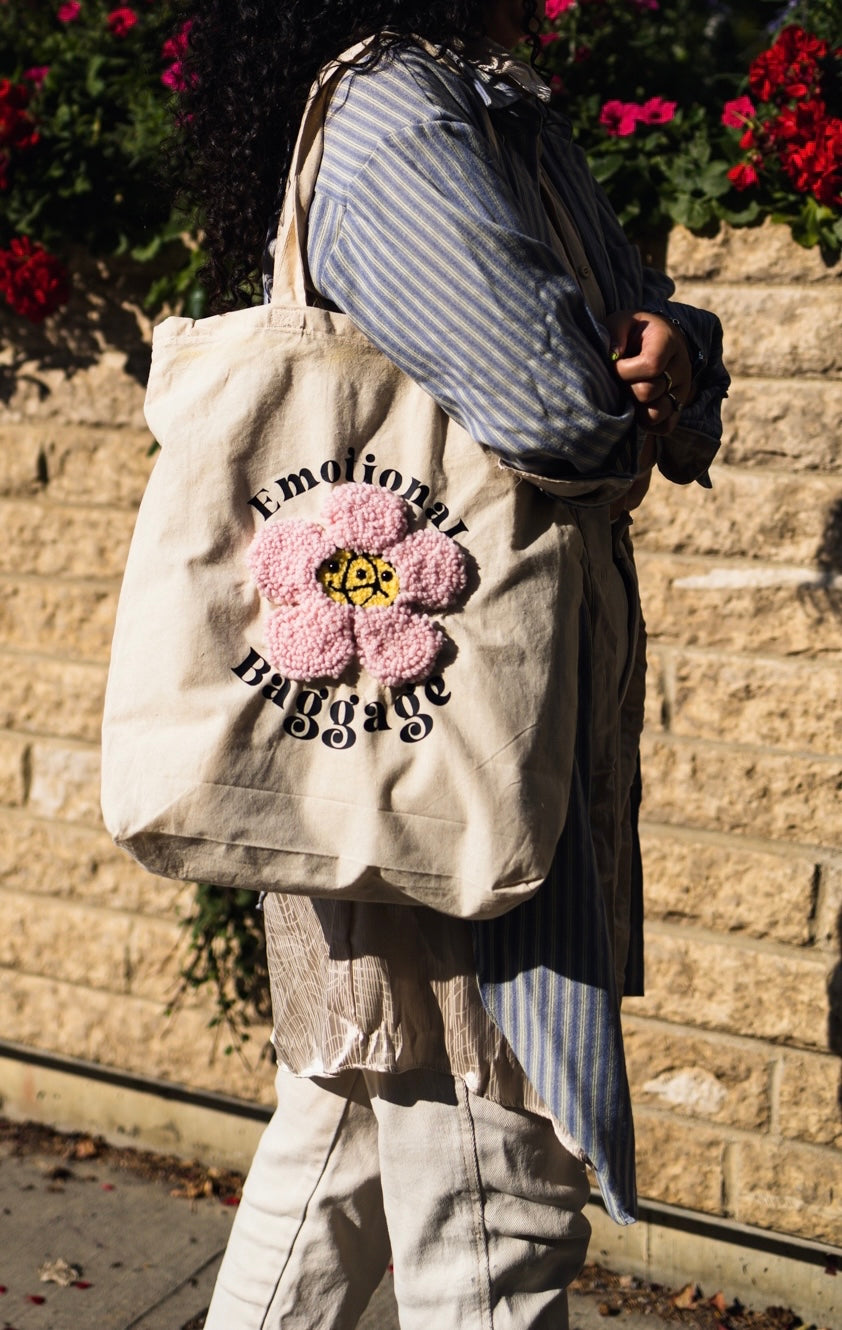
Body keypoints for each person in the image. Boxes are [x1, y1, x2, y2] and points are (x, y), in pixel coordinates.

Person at [178, 3, 729, 1327]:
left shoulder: (473, 103)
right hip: (449, 738)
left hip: (426, 724)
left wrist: (680, 348)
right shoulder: (408, 120)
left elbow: (619, 341)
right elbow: (556, 406)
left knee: (349, 1138)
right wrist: (639, 376)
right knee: (493, 1185)